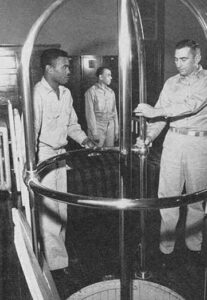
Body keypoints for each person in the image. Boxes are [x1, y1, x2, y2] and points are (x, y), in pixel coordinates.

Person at [134, 39, 207, 261]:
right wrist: (148, 137)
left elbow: (191, 105)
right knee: (167, 197)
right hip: (173, 142)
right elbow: (161, 118)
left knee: (196, 197)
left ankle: (194, 247)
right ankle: (166, 247)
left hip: (198, 144)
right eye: (176, 59)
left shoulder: (206, 80)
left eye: (184, 59)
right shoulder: (171, 83)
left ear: (197, 58)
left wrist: (155, 111)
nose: (179, 64)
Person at [33, 48, 95, 272]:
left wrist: (85, 140)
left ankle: (60, 255)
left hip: (61, 155)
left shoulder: (66, 93)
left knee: (62, 209)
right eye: (65, 66)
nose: (69, 70)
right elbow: (31, 132)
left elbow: (72, 125)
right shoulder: (37, 95)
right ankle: (57, 265)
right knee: (49, 211)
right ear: (49, 69)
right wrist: (32, 166)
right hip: (44, 156)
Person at [85, 67, 119, 147]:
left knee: (110, 153)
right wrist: (94, 132)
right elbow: (90, 113)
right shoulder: (91, 92)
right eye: (108, 75)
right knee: (96, 154)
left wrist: (116, 130)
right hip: (97, 126)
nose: (111, 77)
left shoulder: (111, 92)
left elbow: (115, 112)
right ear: (100, 77)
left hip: (110, 126)